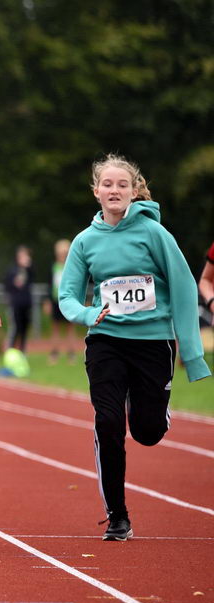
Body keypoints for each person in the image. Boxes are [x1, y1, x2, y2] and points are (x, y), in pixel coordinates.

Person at [58, 154, 211, 541]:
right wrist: (88, 314)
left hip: (152, 342)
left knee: (146, 431)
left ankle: (158, 412)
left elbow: (184, 287)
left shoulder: (154, 234)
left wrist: (192, 355)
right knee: (108, 422)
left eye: (122, 185)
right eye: (107, 184)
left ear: (133, 191)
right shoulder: (84, 241)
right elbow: (68, 296)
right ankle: (117, 515)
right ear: (96, 192)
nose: (114, 190)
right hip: (106, 343)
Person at [45, 239, 78, 364]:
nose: (62, 255)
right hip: (55, 301)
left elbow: (77, 284)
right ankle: (54, 354)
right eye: (60, 253)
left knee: (70, 328)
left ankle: (71, 354)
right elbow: (49, 285)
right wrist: (47, 301)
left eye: (64, 252)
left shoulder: (72, 266)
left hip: (69, 300)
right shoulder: (53, 267)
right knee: (55, 329)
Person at [4, 245, 34, 354]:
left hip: (26, 303)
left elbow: (32, 278)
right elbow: (7, 287)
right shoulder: (12, 271)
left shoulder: (29, 270)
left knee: (24, 329)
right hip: (15, 304)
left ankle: (22, 352)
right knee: (14, 328)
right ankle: (10, 351)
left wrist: (27, 267)